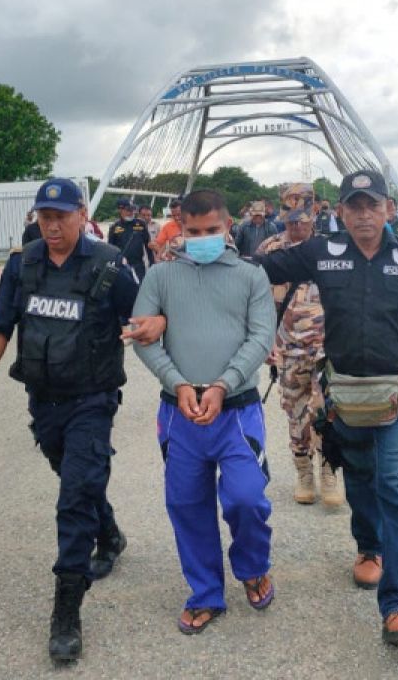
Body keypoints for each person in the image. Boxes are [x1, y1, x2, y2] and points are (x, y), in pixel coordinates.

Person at [254, 169, 398, 647]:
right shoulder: (322, 253)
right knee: (360, 479)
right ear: (340, 212)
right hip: (346, 396)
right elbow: (258, 270)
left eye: (372, 205)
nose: (363, 215)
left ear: (389, 209)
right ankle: (368, 547)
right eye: (353, 206)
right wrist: (194, 263)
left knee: (397, 487)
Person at [0, 178, 140, 663]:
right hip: (44, 401)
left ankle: (66, 610)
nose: (53, 224)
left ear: (82, 214)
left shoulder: (109, 264)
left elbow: (144, 316)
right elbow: (0, 325)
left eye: (62, 215)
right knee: (76, 480)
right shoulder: (24, 264)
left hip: (93, 399)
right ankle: (111, 534)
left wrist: (158, 329)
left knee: (74, 495)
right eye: (45, 216)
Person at [133, 189, 277, 636]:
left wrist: (222, 384)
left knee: (246, 497)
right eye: (193, 232)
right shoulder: (160, 278)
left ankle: (253, 567)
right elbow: (143, 337)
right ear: (180, 228)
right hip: (180, 412)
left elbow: (259, 337)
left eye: (211, 230)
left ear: (228, 226)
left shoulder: (251, 276)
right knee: (186, 504)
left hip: (235, 411)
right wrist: (177, 383)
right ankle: (205, 593)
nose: (202, 239)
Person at [255, 205, 341, 507]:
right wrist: (265, 340)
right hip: (288, 344)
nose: (296, 228)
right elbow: (257, 297)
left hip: (327, 346)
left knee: (329, 408)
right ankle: (303, 471)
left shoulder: (332, 251)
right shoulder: (271, 250)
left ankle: (329, 470)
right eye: (291, 222)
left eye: (302, 222)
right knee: (295, 410)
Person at [108, 198, 152, 281]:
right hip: (122, 267)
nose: (131, 212)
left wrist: (152, 264)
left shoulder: (141, 224)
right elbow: (111, 249)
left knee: (139, 291)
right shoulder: (114, 227)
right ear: (120, 210)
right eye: (128, 210)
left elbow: (148, 246)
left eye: (133, 209)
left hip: (139, 266)